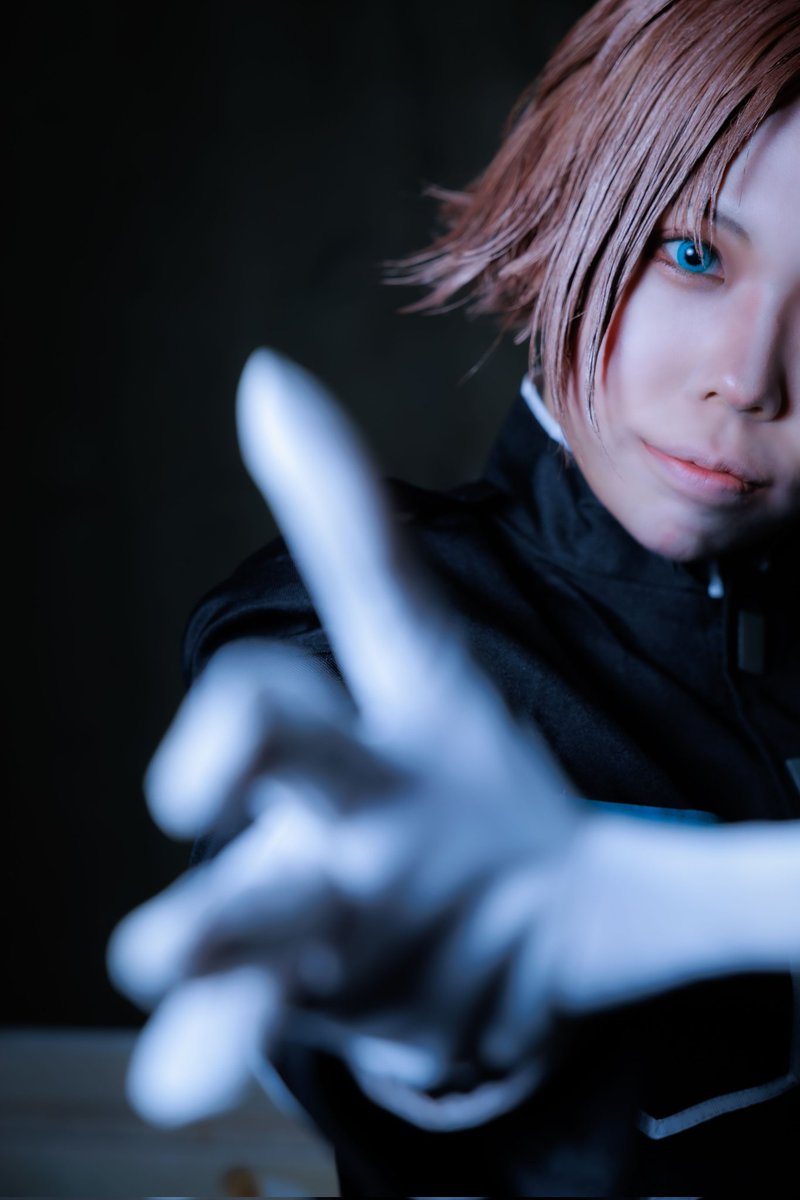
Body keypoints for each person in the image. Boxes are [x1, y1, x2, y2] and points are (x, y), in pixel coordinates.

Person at [109, 0, 800, 1193]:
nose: (747, 378)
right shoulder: (351, 638)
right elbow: (332, 853)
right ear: (569, 211)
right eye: (692, 254)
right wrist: (430, 1044)